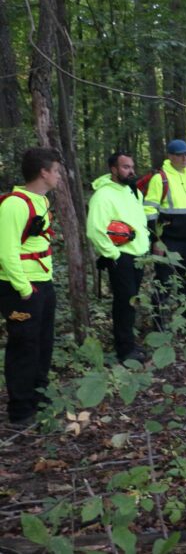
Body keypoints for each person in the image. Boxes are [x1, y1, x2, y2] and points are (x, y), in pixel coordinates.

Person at [0, 147, 62, 426]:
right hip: (20, 288)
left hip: (43, 284)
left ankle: (38, 395)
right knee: (23, 346)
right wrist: (24, 289)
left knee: (43, 343)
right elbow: (5, 251)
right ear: (43, 172)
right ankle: (20, 410)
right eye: (57, 170)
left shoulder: (41, 201)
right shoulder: (15, 204)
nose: (59, 176)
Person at [86, 152, 150, 363]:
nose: (130, 171)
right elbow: (95, 230)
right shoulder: (103, 196)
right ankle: (125, 350)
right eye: (125, 167)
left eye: (131, 166)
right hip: (121, 257)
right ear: (113, 169)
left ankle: (128, 342)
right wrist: (113, 255)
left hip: (138, 255)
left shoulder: (132, 191)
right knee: (124, 303)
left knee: (130, 302)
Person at [144, 139, 186, 313]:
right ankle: (159, 321)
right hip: (168, 241)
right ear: (170, 156)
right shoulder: (160, 179)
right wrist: (156, 240)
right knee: (164, 281)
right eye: (180, 155)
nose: (184, 158)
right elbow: (149, 210)